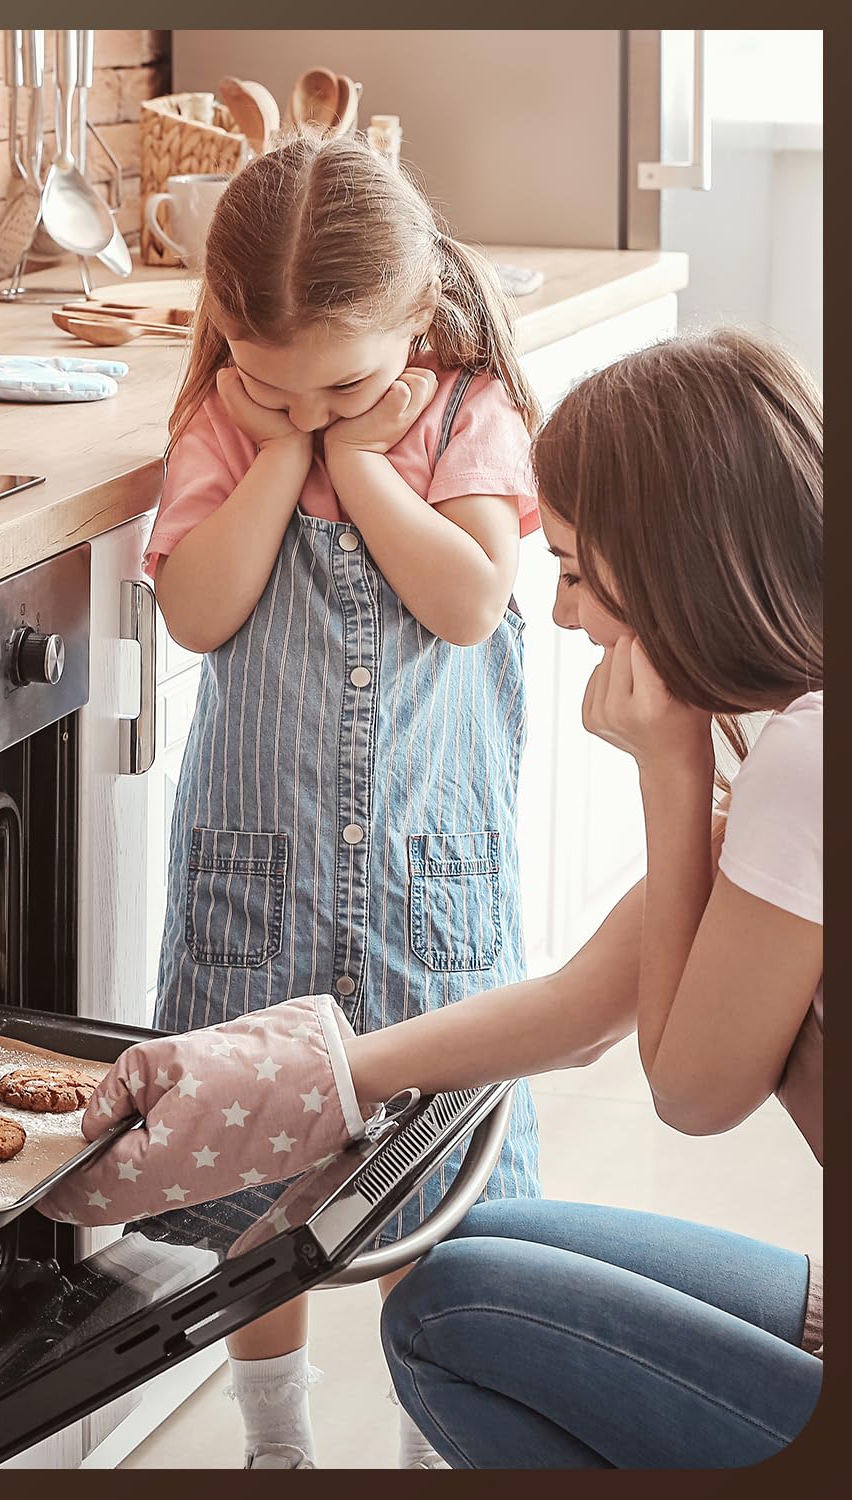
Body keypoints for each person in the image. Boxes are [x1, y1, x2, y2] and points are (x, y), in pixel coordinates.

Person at [142, 132, 545, 1469]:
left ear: (421, 317)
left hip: (430, 891)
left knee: (432, 1189)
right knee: (265, 1188)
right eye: (275, 385)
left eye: (345, 384)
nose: (309, 410)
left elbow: (469, 598)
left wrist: (362, 465)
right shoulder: (227, 423)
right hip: (263, 884)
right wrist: (272, 458)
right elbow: (199, 612)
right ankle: (278, 1444)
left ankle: (443, 1431)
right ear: (224, 336)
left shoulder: (462, 414)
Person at [360, 326, 823, 1467]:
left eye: (572, 569)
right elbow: (589, 1002)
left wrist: (665, 771)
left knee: (443, 1316)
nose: (563, 616)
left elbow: (693, 1090)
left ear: (673, 562)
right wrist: (324, 1070)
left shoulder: (810, 765)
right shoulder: (792, 731)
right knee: (496, 1240)